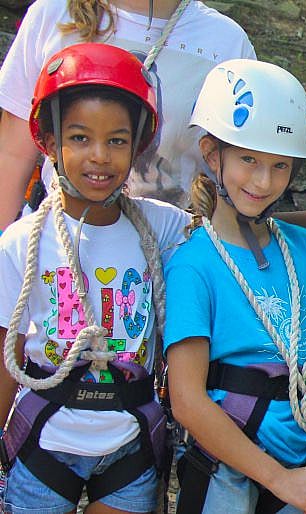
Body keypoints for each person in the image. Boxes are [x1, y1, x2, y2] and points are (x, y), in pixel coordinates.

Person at [164, 58, 306, 514]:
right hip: (230, 466)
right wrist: (279, 480)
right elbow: (188, 400)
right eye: (248, 159)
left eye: (279, 166)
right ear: (213, 154)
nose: (262, 180)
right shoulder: (194, 265)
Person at [0, 42, 186, 514]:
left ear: (137, 144)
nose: (100, 156)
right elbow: (7, 354)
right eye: (80, 138)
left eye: (117, 140)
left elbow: (233, 233)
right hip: (45, 441)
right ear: (51, 141)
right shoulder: (21, 242)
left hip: (129, 444)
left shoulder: (161, 227)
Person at [0, 0, 256, 228]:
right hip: (66, 242)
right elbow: (12, 154)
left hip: (180, 247)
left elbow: (245, 165)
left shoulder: (227, 42)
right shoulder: (53, 14)